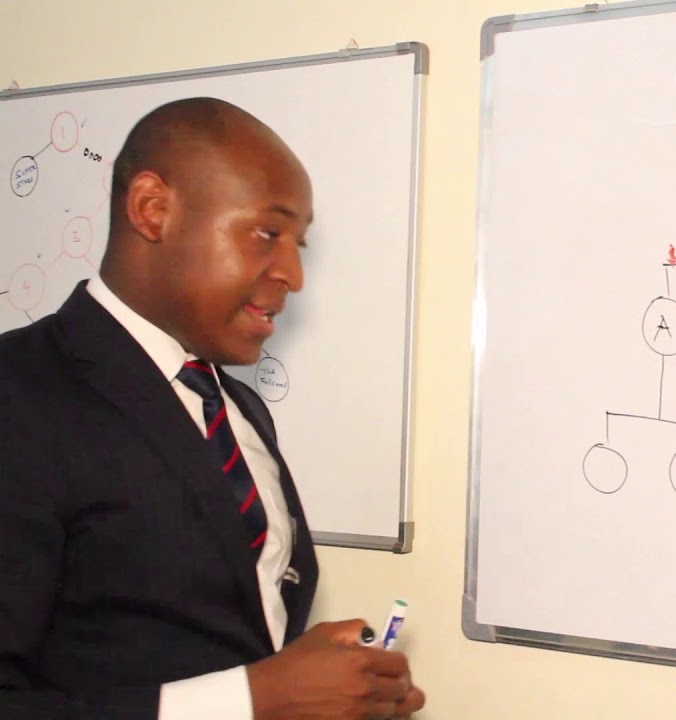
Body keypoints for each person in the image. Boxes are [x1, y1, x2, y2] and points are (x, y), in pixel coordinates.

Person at [0, 97, 427, 720]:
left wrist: (317, 681)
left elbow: (206, 638)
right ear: (153, 208)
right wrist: (259, 698)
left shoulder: (237, 408)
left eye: (300, 244)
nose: (293, 274)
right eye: (268, 234)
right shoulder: (19, 391)